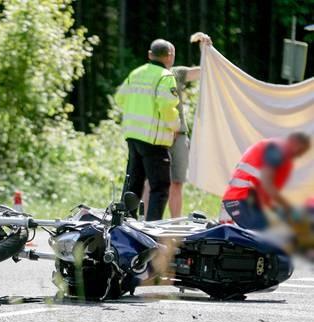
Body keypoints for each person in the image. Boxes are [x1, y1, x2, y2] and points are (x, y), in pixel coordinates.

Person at [142, 32, 212, 218]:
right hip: (155, 135)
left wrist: (206, 50)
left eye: (172, 52)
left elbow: (204, 71)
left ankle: (175, 224)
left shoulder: (177, 73)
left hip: (178, 136)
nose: (170, 56)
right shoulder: (145, 75)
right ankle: (145, 223)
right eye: (168, 53)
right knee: (151, 181)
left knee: (177, 182)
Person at [115, 39, 180, 221]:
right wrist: (175, 127)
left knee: (133, 184)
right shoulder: (165, 77)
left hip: (133, 136)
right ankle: (152, 229)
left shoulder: (135, 73)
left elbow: (120, 98)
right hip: (154, 140)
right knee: (159, 187)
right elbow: (167, 106)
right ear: (169, 56)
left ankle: (125, 223)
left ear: (150, 55)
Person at [222, 132, 311, 230]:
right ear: (294, 142)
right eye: (301, 150)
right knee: (266, 237)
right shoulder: (276, 150)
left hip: (244, 201)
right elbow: (267, 186)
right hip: (240, 200)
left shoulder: (281, 156)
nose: (299, 154)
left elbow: (264, 193)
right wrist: (289, 209)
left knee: (278, 230)